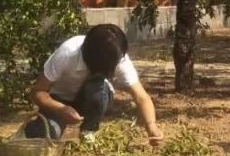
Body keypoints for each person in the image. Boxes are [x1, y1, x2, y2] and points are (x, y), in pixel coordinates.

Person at [24, 23, 163, 146]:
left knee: (99, 89)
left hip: (90, 96)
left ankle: (88, 130)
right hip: (59, 100)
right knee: (45, 135)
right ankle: (34, 128)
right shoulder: (67, 53)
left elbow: (141, 97)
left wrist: (151, 127)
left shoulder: (117, 56)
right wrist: (62, 109)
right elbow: (38, 92)